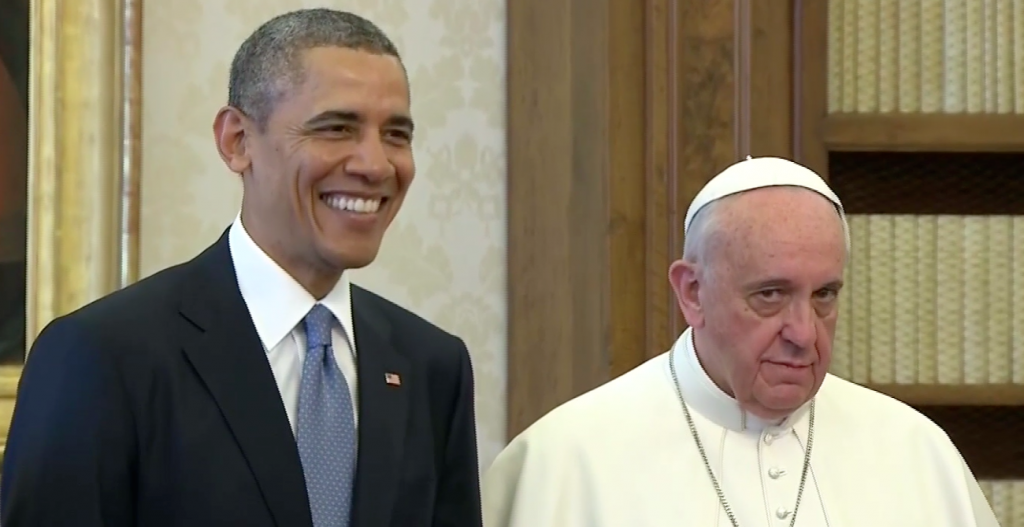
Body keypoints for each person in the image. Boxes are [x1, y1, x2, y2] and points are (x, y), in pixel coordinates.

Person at [0, 8, 482, 527]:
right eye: (337, 128)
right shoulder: (103, 357)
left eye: (395, 134)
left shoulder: (430, 367)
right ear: (237, 141)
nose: (375, 164)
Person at [482, 157, 999, 527]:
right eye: (770, 295)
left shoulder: (916, 452)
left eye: (824, 295)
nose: (803, 333)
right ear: (692, 292)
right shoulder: (565, 462)